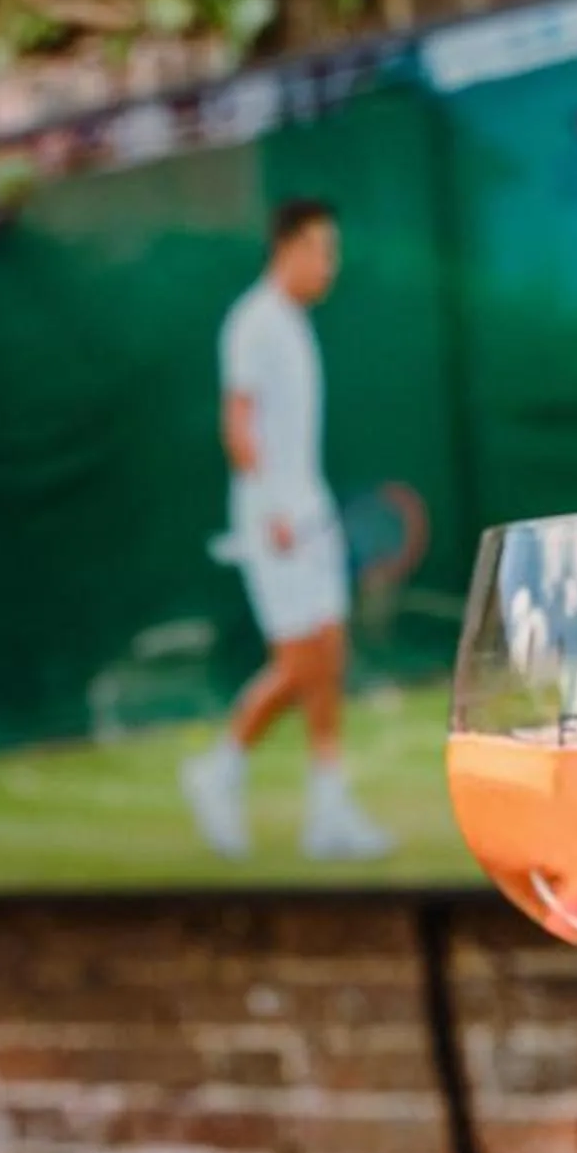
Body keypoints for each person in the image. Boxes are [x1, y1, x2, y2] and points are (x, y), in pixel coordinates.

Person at [181, 198, 392, 863]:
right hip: (275, 522)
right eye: (322, 250)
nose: (330, 266)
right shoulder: (255, 323)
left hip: (308, 512)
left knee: (327, 657)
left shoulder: (294, 324)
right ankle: (220, 770)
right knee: (301, 662)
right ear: (289, 248)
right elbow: (238, 422)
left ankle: (328, 811)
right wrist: (274, 506)